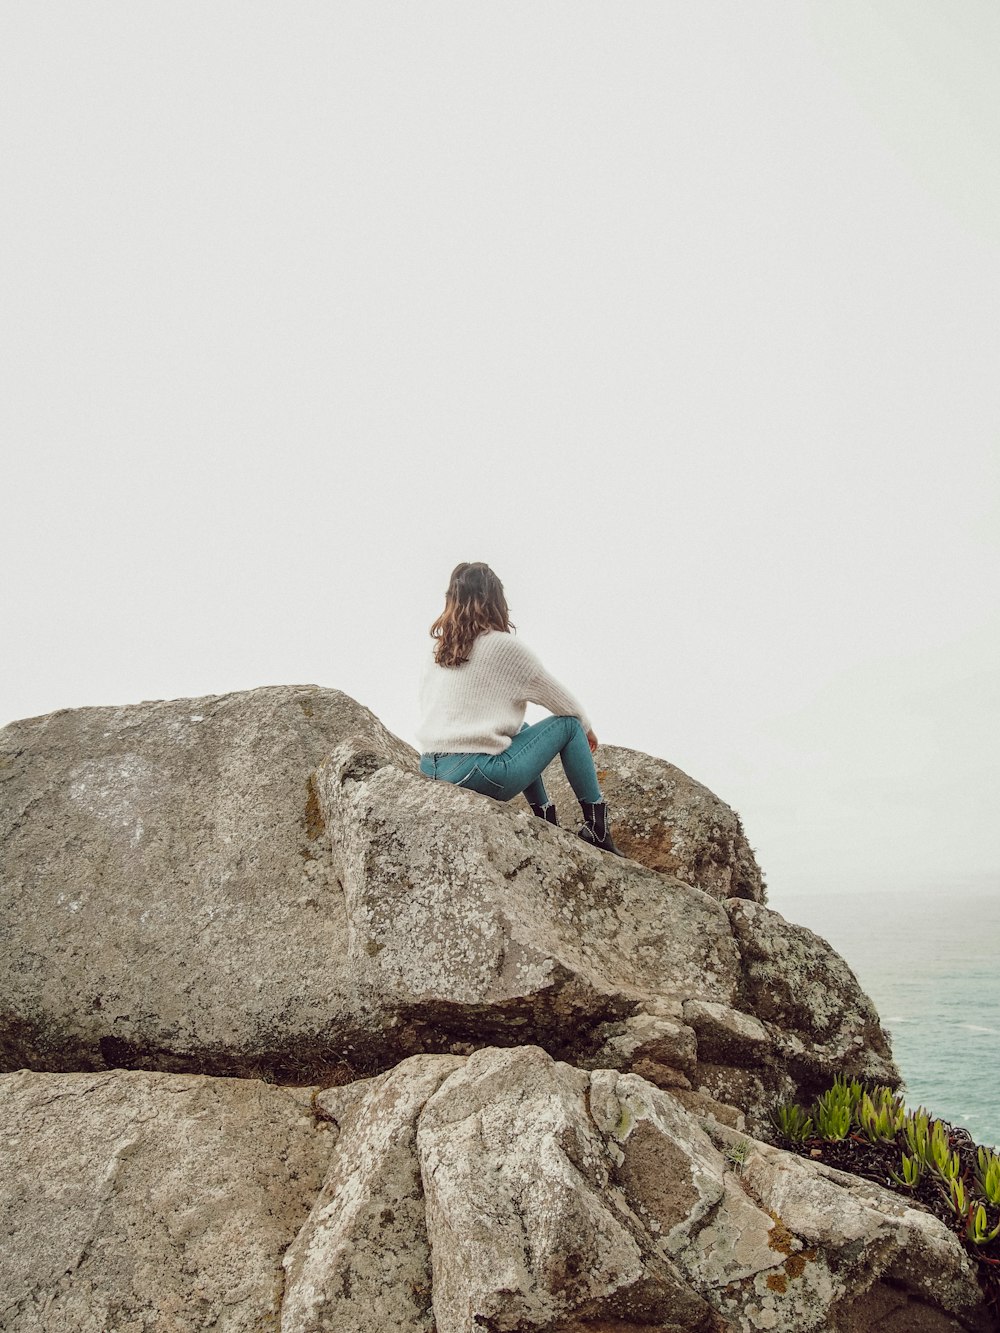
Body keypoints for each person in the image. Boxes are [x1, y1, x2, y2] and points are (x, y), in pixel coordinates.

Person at [416, 561, 622, 856]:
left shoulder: (437, 649)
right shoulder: (503, 647)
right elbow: (565, 705)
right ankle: (597, 828)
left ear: (452, 600)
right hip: (475, 774)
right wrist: (587, 729)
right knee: (569, 726)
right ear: (496, 601)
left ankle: (545, 818)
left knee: (522, 732)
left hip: (431, 769)